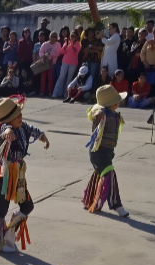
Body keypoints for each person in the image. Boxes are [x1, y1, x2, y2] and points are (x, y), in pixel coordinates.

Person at [0, 97, 49, 253]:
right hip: (4, 175)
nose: (20, 117)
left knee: (28, 206)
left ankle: (9, 232)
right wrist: (7, 132)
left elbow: (31, 128)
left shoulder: (22, 126)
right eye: (16, 116)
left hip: (18, 175)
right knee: (1, 210)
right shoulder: (3, 128)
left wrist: (42, 136)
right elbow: (4, 130)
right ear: (7, 120)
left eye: (20, 114)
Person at [83, 84, 130, 217]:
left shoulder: (113, 114)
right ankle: (117, 205)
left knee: (100, 175)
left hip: (108, 151)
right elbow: (95, 118)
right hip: (98, 151)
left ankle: (90, 200)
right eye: (116, 101)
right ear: (111, 103)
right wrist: (98, 114)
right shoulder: (101, 114)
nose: (119, 102)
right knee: (110, 176)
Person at [53, 31, 81, 98]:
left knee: (69, 78)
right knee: (61, 77)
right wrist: (66, 45)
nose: (73, 37)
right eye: (71, 36)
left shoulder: (78, 44)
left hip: (73, 63)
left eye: (74, 36)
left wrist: (72, 45)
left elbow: (75, 52)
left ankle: (67, 94)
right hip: (65, 62)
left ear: (76, 37)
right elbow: (62, 52)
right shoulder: (66, 43)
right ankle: (56, 93)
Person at [38, 31, 61, 97]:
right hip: (45, 62)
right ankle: (42, 91)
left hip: (52, 63)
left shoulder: (58, 44)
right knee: (43, 78)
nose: (53, 38)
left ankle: (50, 91)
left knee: (50, 78)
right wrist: (44, 56)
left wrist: (50, 56)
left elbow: (58, 53)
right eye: (51, 36)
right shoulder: (45, 44)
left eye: (54, 36)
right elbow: (40, 52)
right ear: (49, 37)